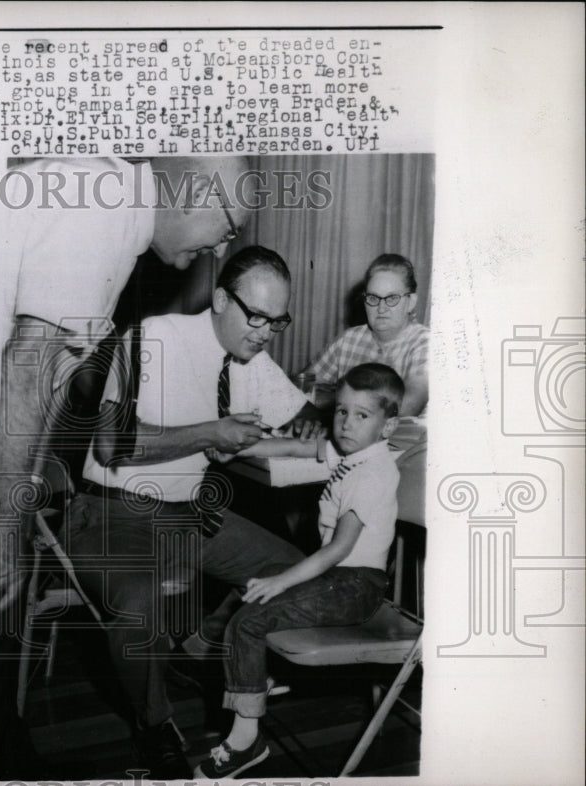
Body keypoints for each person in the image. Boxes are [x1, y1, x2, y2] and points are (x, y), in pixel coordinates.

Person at [66, 246, 322, 778]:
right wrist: (212, 433)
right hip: (111, 512)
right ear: (222, 299)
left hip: (186, 515)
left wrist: (319, 425)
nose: (265, 331)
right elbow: (113, 445)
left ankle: (208, 643)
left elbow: (305, 414)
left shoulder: (252, 358)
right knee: (141, 607)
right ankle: (154, 725)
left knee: (294, 572)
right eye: (256, 316)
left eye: (278, 321)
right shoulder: (153, 337)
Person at [0, 155, 256, 609]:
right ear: (194, 196)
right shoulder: (100, 207)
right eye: (228, 230)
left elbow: (48, 382)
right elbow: (24, 376)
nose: (221, 252)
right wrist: (1, 534)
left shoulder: (116, 214)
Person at [194, 363, 403, 778]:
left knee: (249, 618)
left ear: (388, 426)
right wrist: (239, 449)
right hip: (339, 579)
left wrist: (280, 582)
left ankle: (246, 741)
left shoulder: (373, 472)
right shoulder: (354, 454)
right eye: (341, 411)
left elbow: (339, 549)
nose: (345, 423)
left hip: (354, 585)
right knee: (253, 592)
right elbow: (296, 449)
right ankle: (257, 680)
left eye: (362, 415)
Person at [308, 253, 428, 416]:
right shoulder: (349, 339)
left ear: (411, 302)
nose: (381, 308)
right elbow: (302, 386)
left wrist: (338, 402)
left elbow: (409, 405)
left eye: (392, 298)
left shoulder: (425, 342)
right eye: (373, 297)